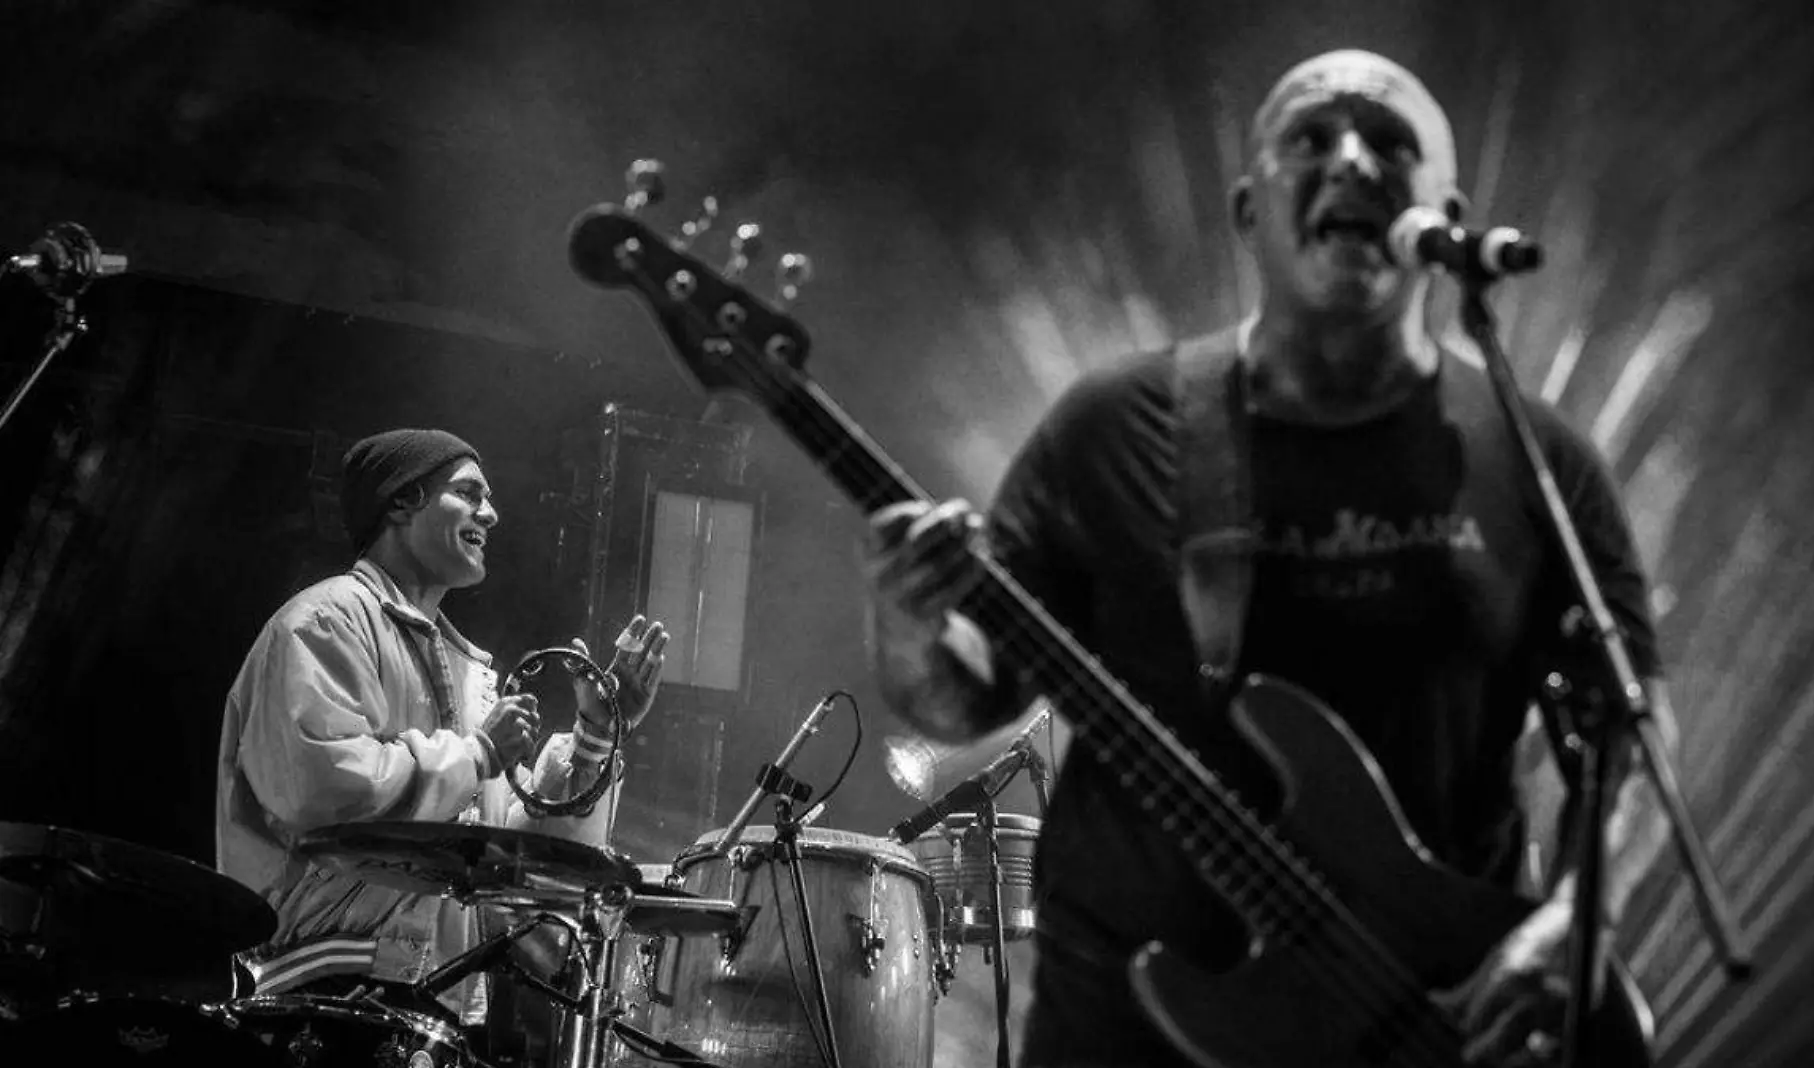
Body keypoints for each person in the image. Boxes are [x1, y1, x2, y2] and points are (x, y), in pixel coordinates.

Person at [865, 50, 1679, 1067]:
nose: (1351, 160)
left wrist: (1572, 934)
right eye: (1311, 138)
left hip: (1436, 1026)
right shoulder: (1113, 428)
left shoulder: (1536, 461)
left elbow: (1631, 743)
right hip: (1120, 1033)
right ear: (1251, 210)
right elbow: (964, 702)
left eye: (1390, 143)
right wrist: (909, 619)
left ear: (1447, 210)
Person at [214, 427, 668, 1020]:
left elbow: (510, 862)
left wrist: (595, 734)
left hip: (438, 997)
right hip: (324, 988)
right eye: (468, 493)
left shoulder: (470, 673)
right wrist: (476, 753)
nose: (492, 513)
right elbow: (323, 784)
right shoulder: (323, 622)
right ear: (402, 501)